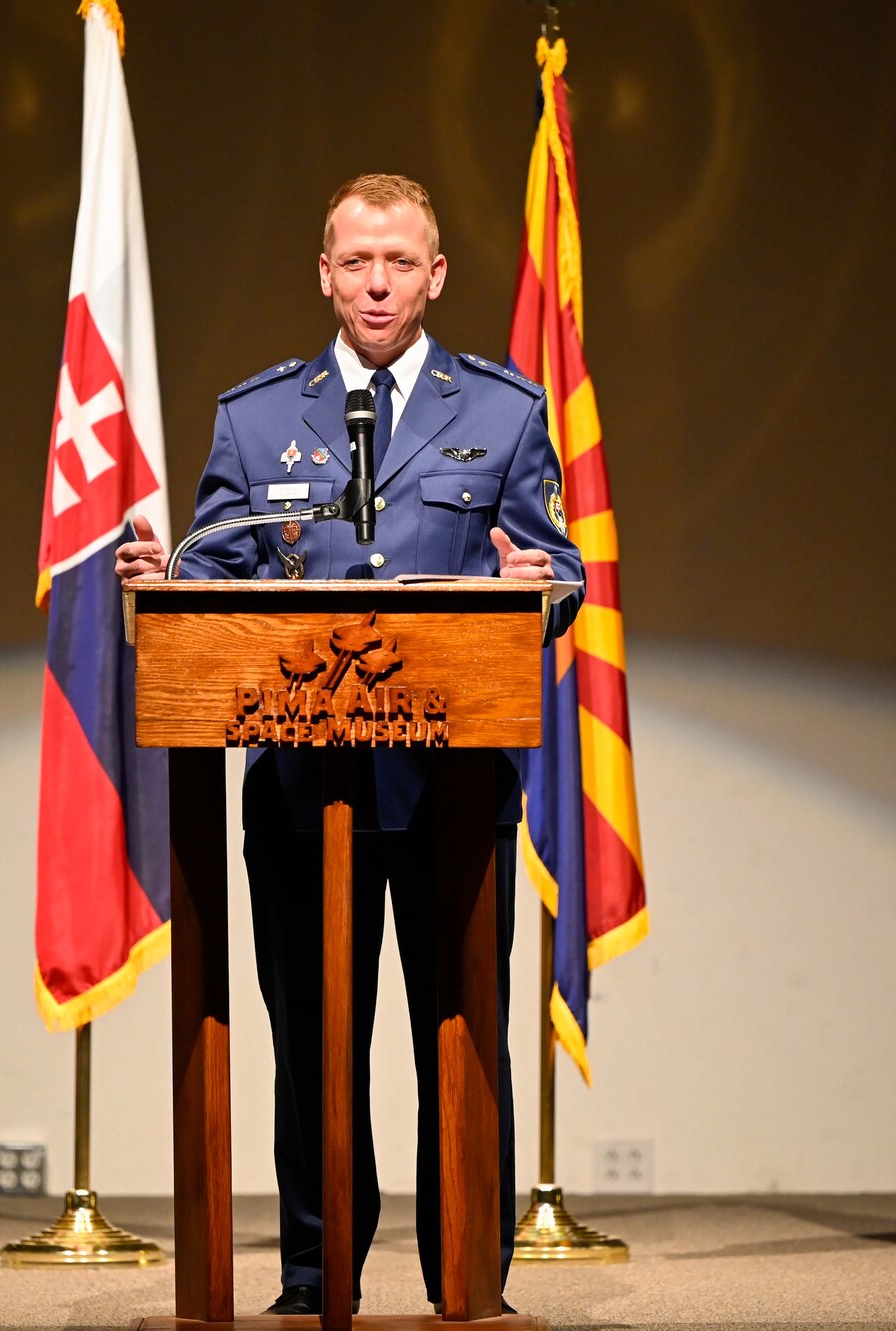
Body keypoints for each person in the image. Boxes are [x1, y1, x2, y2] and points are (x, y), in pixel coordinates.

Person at [117, 173, 583, 1315]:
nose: (376, 281)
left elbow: (556, 567)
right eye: (355, 261)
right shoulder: (256, 415)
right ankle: (316, 1280)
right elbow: (214, 566)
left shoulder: (503, 412)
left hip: (451, 790)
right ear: (324, 273)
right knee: (310, 1049)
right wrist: (167, 582)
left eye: (398, 262)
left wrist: (539, 587)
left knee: (459, 1038)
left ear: (433, 277)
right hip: (293, 790)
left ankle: (466, 1275)